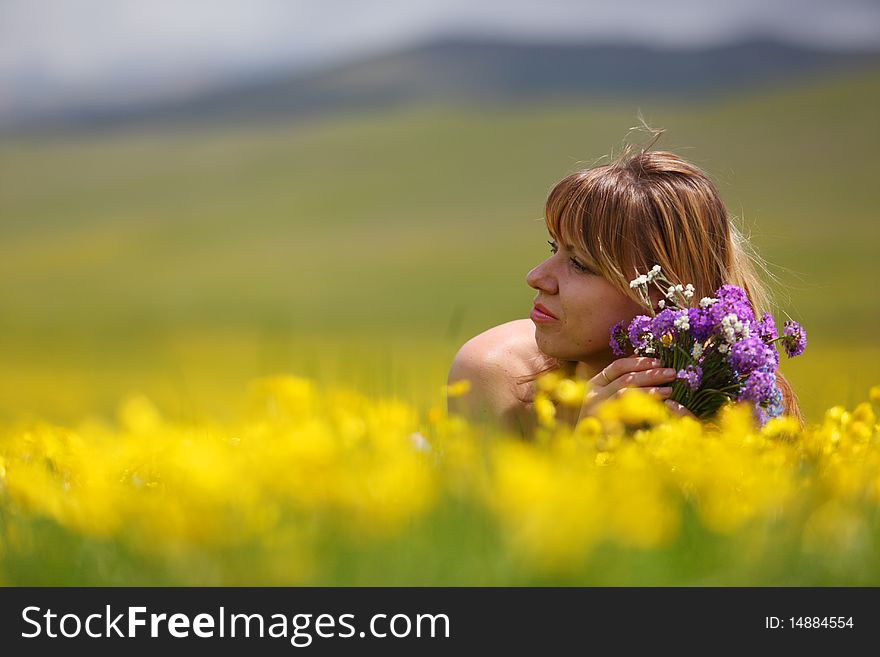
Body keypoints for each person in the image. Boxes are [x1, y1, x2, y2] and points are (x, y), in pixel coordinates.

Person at [447, 139, 802, 437]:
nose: (536, 276)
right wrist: (587, 448)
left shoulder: (739, 403)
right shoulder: (498, 372)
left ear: (663, 295)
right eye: (554, 248)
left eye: (580, 264)